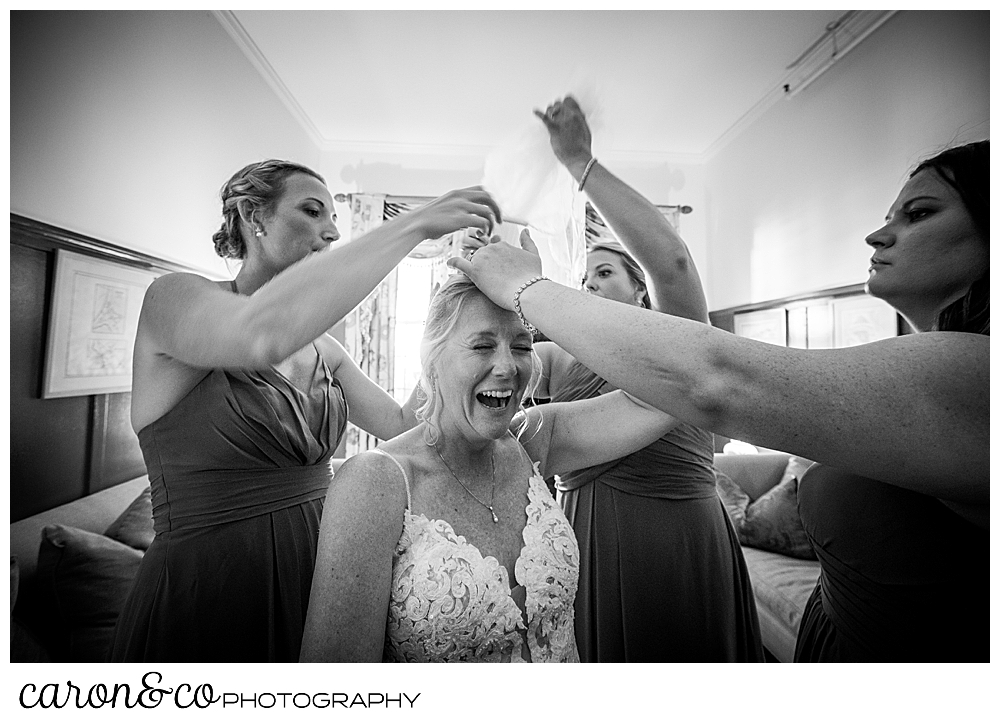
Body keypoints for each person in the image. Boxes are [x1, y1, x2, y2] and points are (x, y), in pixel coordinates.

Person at [453, 140, 989, 662]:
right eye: (585, 276)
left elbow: (711, 369)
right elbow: (498, 382)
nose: (877, 235)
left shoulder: (975, 375)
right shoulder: (572, 359)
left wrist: (529, 281)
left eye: (919, 214)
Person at [109, 159, 501, 662]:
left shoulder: (326, 352)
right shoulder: (174, 300)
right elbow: (260, 335)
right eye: (312, 211)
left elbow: (406, 425)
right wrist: (415, 224)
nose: (331, 231)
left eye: (333, 219)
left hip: (322, 579)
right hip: (207, 588)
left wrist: (448, 321)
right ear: (255, 215)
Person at [298, 273, 680, 662]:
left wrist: (540, 294)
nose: (507, 367)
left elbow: (674, 387)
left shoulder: (536, 439)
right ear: (431, 358)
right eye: (482, 346)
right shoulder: (376, 482)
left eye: (521, 346)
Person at [523, 96, 763, 661]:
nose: (589, 287)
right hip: (587, 540)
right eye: (584, 279)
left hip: (676, 540)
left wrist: (579, 160)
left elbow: (674, 261)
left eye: (603, 273)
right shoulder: (561, 357)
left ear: (639, 288)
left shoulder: (679, 342)